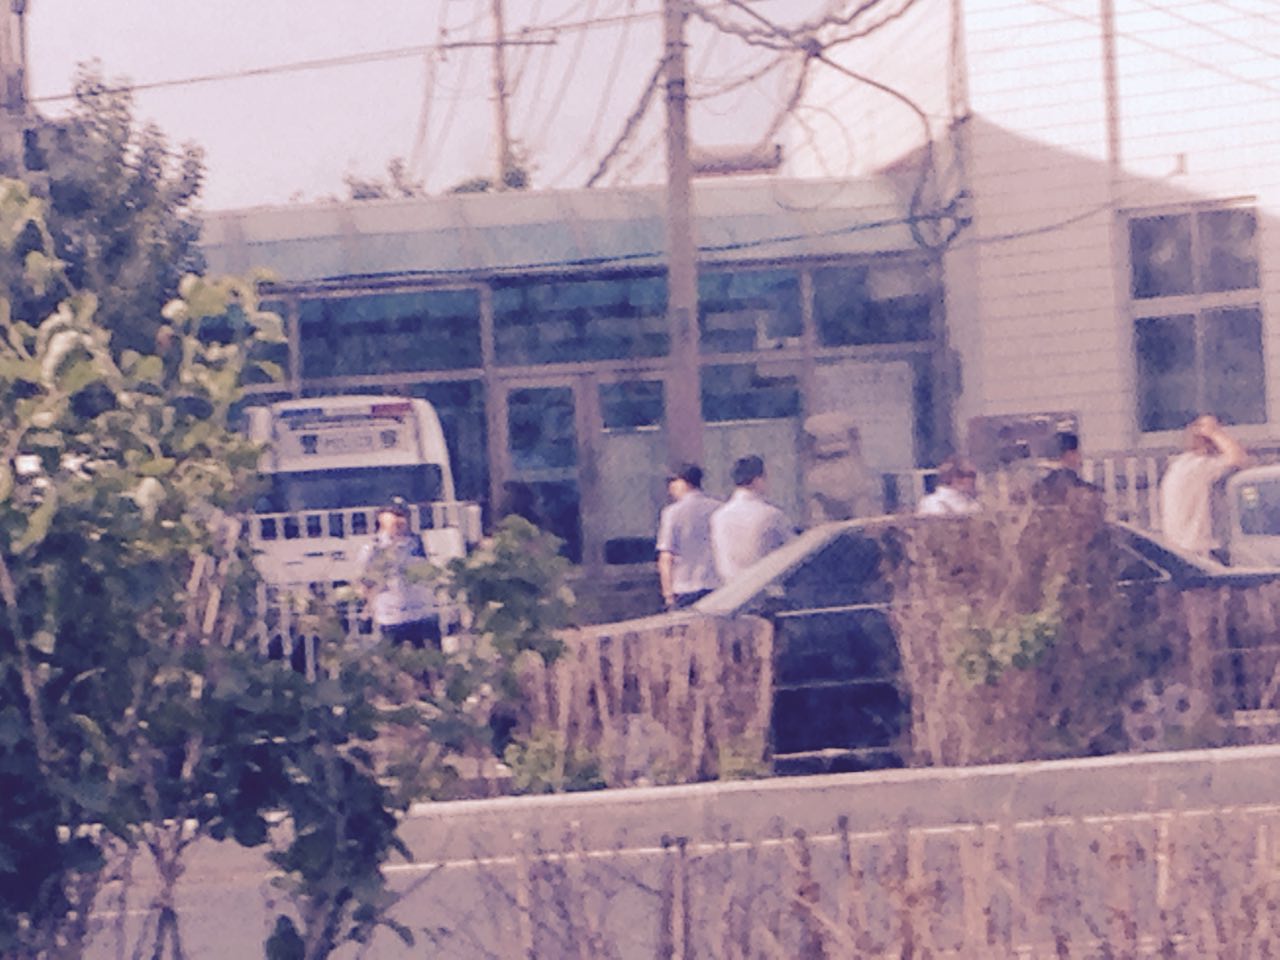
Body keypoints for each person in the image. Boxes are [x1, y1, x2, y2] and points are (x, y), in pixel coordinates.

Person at [1159, 414, 1249, 557]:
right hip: (1199, 549)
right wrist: (1215, 433)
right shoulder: (1199, 466)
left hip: (1179, 547)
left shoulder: (1178, 467)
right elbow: (1239, 459)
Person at [356, 498, 441, 648]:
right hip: (390, 616)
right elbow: (365, 583)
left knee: (429, 658)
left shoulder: (418, 543)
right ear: (381, 518)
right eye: (394, 515)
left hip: (422, 614)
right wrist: (367, 609)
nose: (399, 520)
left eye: (403, 515)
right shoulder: (373, 548)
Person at [710, 454, 793, 582]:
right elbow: (792, 550)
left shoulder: (718, 517)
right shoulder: (771, 515)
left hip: (730, 587)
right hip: (764, 584)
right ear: (757, 480)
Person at [655, 463, 722, 609]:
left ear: (683, 482)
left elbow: (666, 555)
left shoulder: (672, 513)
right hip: (717, 585)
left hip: (684, 587)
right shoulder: (719, 508)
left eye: (672, 481)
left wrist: (668, 595)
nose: (670, 488)